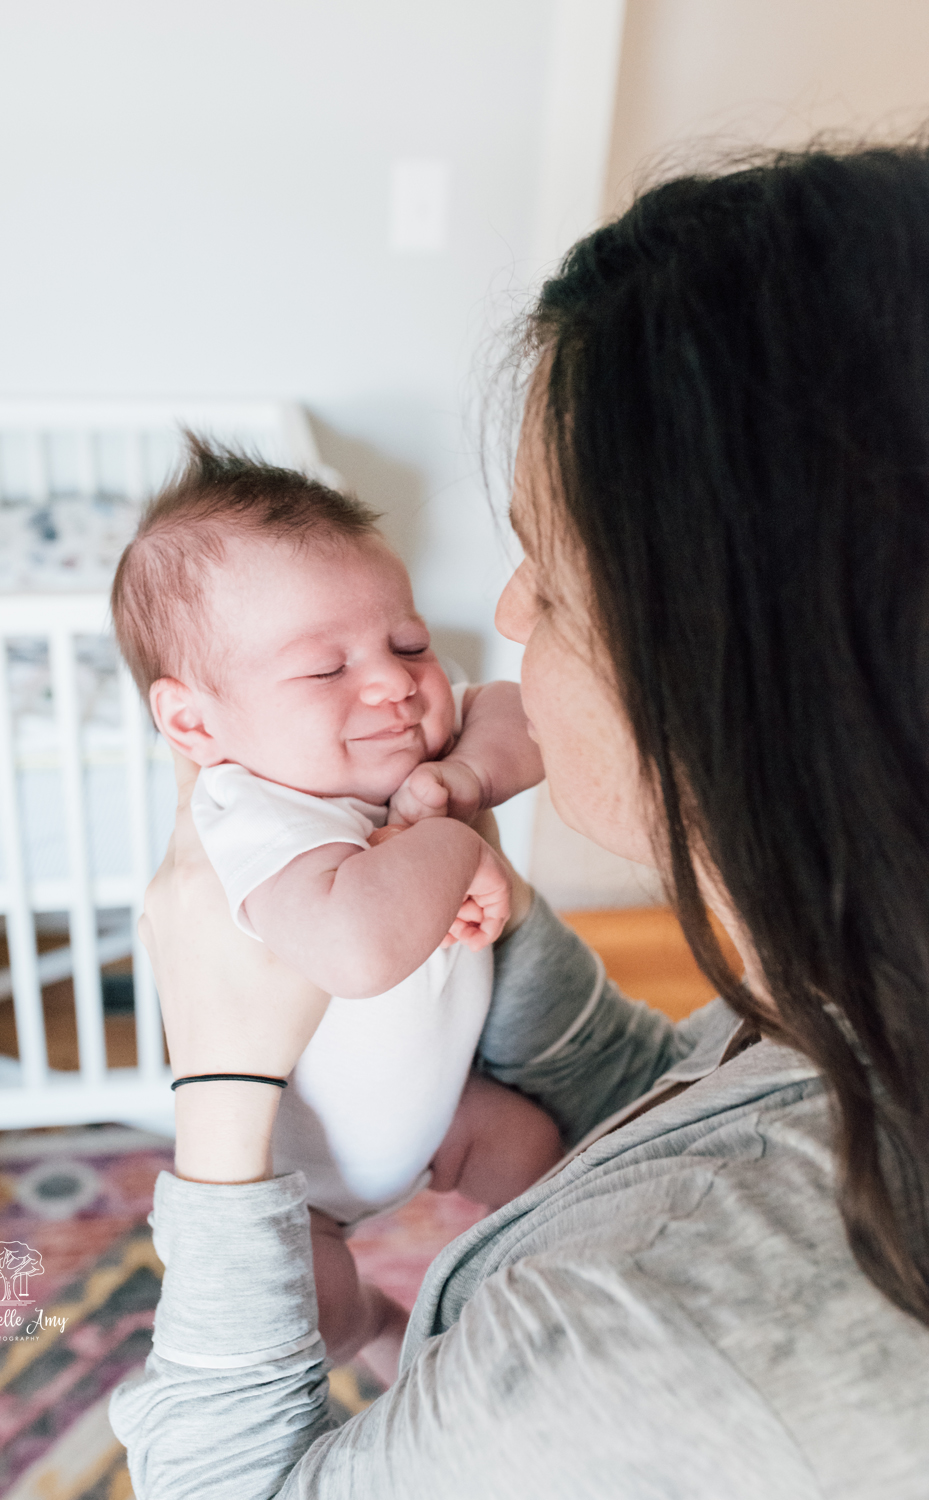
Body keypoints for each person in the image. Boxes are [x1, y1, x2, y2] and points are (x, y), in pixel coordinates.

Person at [110, 142, 929, 1497]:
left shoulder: (650, 1350)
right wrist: (468, 873)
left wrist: (221, 1095)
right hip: (352, 1157)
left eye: (540, 568)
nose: (491, 622)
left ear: (729, 653)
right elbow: (662, 1114)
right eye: (328, 666)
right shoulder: (848, 977)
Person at [109, 447, 559, 1379]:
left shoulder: (415, 763)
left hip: (438, 1109)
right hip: (294, 1182)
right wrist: (461, 841)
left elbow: (520, 710)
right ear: (196, 726)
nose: (393, 684)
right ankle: (377, 1329)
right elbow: (355, 950)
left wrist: (465, 778)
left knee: (532, 1147)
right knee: (311, 1304)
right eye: (325, 671)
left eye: (407, 644)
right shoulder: (254, 814)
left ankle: (542, 1309)